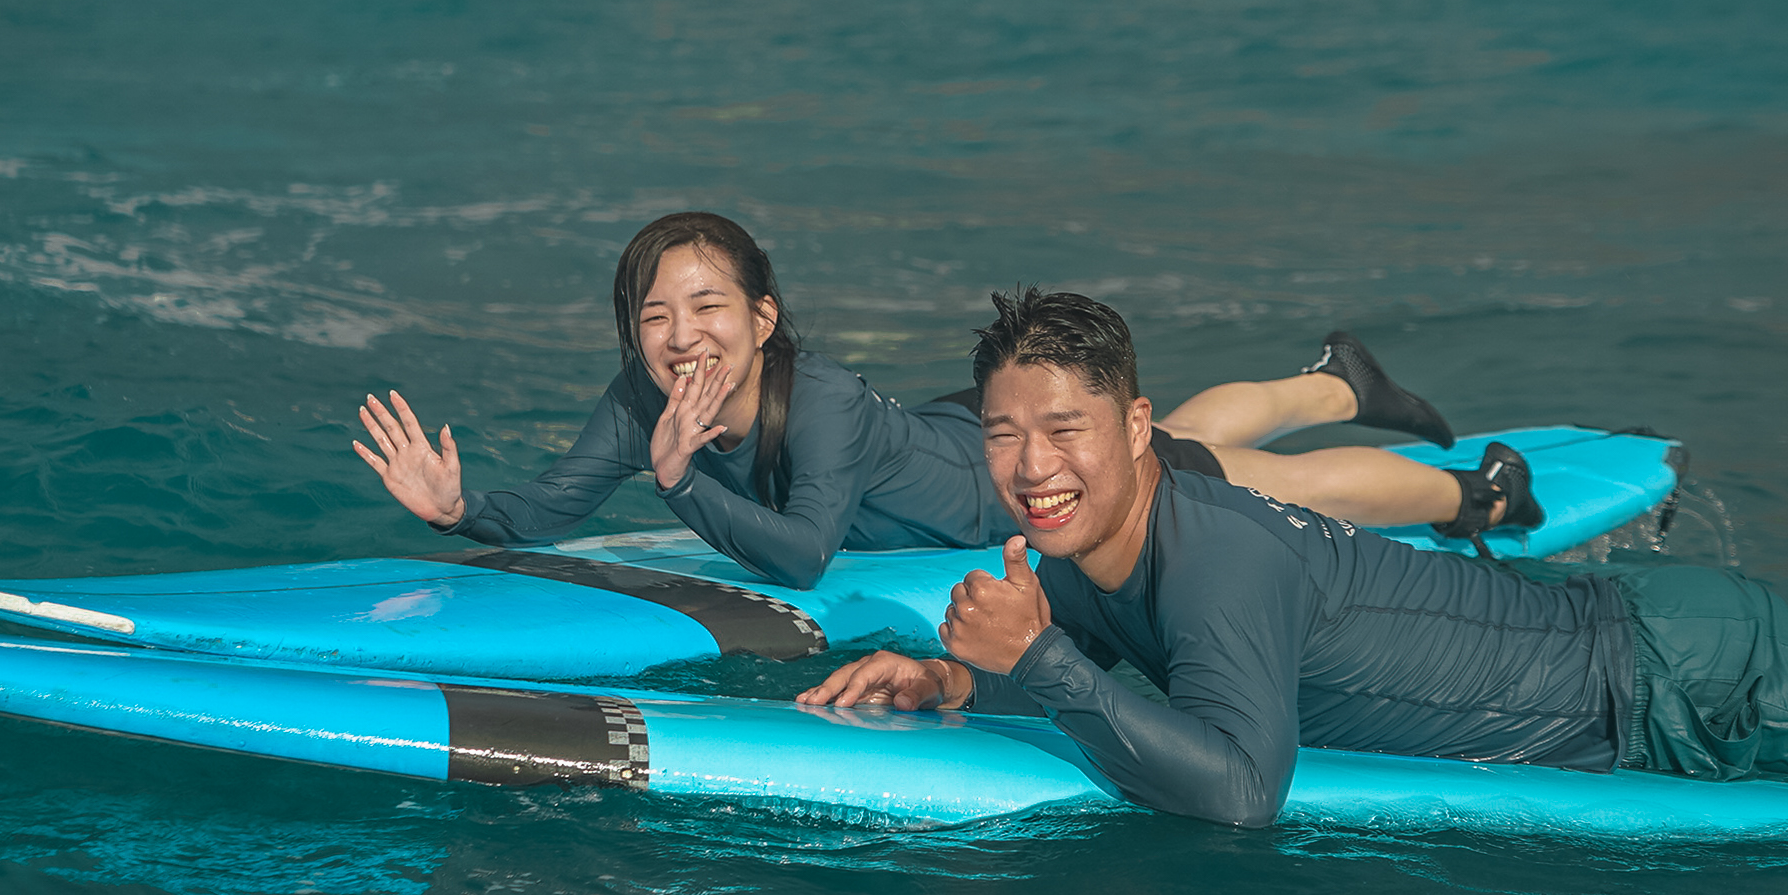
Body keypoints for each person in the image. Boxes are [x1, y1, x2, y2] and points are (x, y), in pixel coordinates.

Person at [800, 288, 1788, 825]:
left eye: (1065, 431)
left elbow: (1238, 794)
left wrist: (1047, 668)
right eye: (1005, 438)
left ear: (1142, 428)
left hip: (1689, 684)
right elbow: (1092, 658)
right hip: (1625, 646)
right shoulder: (1074, 550)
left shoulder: (1219, 558)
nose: (1031, 467)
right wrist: (948, 670)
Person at [352, 210, 1517, 591]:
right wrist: (463, 511)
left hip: (1013, 478)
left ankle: (1473, 492)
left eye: (707, 308)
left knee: (1253, 484)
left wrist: (675, 484)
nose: (677, 336)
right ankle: (1334, 379)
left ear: (763, 319)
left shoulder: (823, 401)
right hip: (952, 440)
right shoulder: (639, 395)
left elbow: (803, 554)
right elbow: (551, 504)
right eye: (653, 315)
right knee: (1171, 431)